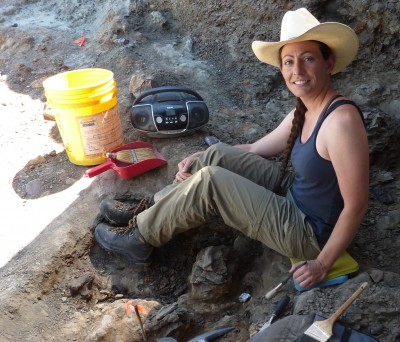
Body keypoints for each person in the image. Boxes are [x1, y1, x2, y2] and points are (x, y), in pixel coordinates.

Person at [94, 8, 369, 290]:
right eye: (289, 62)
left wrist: (322, 264)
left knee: (211, 181)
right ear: (281, 69)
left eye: (308, 59)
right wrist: (200, 157)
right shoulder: (306, 109)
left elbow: (356, 205)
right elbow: (255, 148)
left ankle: (138, 239)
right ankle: (149, 210)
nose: (296, 70)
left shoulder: (340, 122)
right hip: (293, 191)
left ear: (329, 63)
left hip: (309, 231)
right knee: (216, 155)